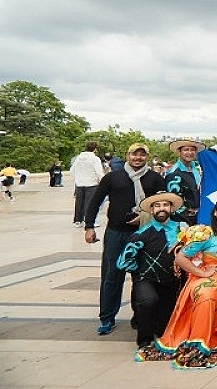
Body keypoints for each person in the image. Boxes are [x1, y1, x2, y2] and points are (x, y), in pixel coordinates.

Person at [137, 197, 217, 369]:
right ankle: (201, 337)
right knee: (206, 296)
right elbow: (181, 258)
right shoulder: (206, 234)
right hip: (213, 278)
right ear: (215, 212)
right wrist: (202, 272)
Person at [84, 143, 166, 335]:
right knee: (112, 276)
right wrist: (89, 226)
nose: (138, 158)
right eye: (134, 154)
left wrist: (147, 216)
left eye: (142, 155)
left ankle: (140, 316)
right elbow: (95, 202)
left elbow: (164, 205)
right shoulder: (113, 177)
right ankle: (107, 317)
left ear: (147, 157)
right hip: (116, 233)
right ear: (127, 155)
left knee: (142, 277)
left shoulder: (154, 179)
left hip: (144, 234)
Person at [116, 191, 185, 348]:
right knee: (147, 301)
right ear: (152, 210)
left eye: (165, 205)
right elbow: (122, 262)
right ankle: (144, 339)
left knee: (163, 329)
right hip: (147, 280)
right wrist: (139, 271)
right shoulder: (142, 234)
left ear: (171, 208)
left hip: (172, 283)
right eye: (157, 205)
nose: (161, 208)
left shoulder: (182, 231)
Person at [163, 138, 205, 226]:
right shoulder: (174, 173)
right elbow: (173, 201)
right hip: (183, 220)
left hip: (198, 216)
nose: (190, 153)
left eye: (192, 150)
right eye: (186, 150)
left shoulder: (195, 169)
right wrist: (188, 217)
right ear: (179, 152)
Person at [70, 141, 105, 227]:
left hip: (79, 183)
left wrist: (78, 178)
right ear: (95, 149)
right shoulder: (95, 159)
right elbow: (99, 172)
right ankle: (89, 221)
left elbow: (72, 171)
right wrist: (102, 181)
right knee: (90, 203)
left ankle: (78, 220)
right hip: (91, 183)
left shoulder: (78, 158)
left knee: (79, 203)